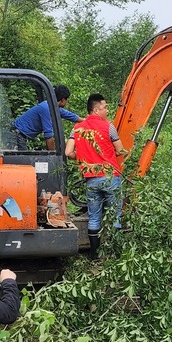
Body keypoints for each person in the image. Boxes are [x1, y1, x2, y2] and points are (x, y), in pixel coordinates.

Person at [65, 93, 126, 258]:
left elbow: (68, 152)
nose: (107, 110)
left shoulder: (77, 128)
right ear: (96, 109)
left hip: (91, 180)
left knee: (94, 217)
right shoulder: (108, 126)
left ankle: (94, 255)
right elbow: (121, 150)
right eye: (105, 107)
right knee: (114, 216)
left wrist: (85, 155)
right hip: (110, 177)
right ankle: (114, 255)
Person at [12, 84, 81, 150]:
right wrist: (54, 156)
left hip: (20, 135)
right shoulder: (46, 108)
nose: (67, 102)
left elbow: (70, 116)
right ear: (63, 100)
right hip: (17, 135)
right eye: (67, 100)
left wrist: (87, 120)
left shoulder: (52, 106)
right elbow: (48, 136)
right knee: (23, 160)